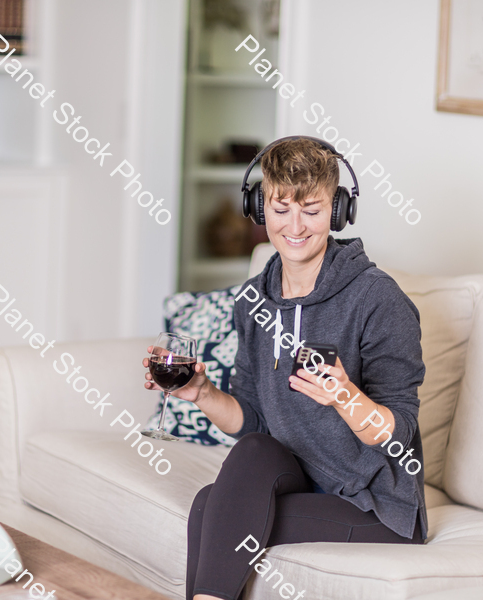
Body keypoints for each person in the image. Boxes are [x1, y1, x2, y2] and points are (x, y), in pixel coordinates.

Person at [142, 137, 427, 600]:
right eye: (281, 208)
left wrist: (346, 397)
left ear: (337, 212)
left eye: (312, 211)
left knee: (207, 510)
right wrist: (201, 393)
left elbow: (398, 432)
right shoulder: (254, 297)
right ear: (259, 208)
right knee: (247, 457)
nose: (295, 226)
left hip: (373, 505)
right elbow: (253, 421)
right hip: (299, 477)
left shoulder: (378, 299)